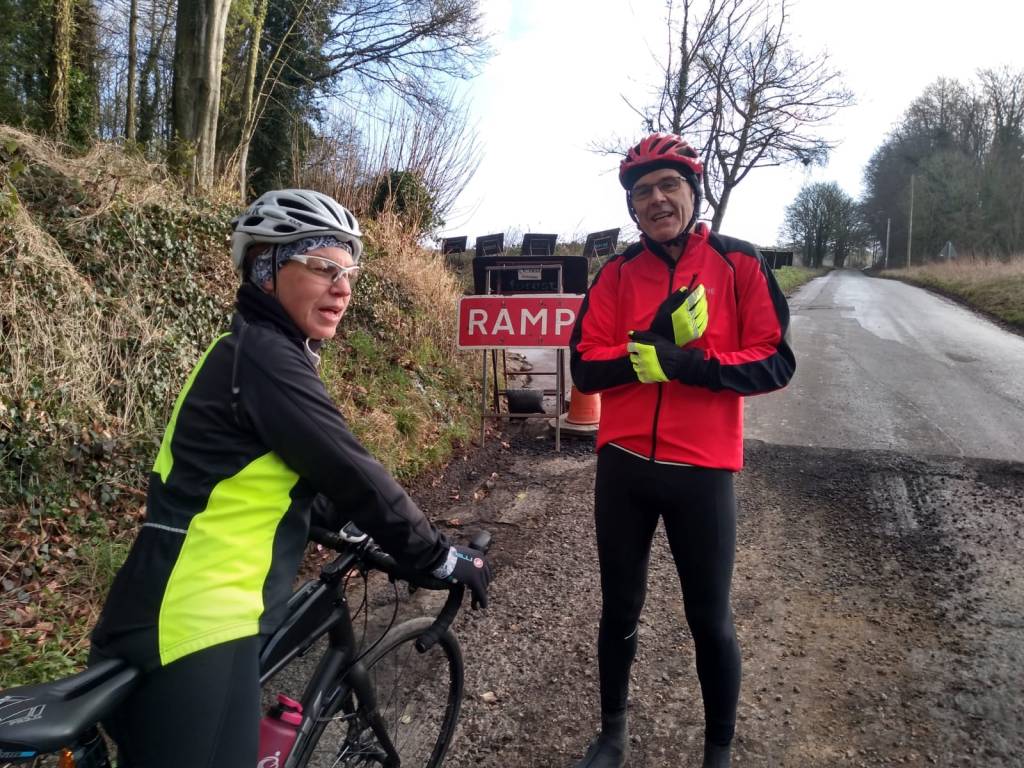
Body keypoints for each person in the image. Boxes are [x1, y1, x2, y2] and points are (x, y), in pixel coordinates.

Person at [88, 189, 490, 768]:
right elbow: (349, 468)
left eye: (349, 273)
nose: (343, 288)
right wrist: (437, 556)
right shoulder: (264, 356)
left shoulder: (249, 351)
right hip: (197, 620)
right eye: (324, 267)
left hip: (173, 605)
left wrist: (350, 525)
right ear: (266, 268)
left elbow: (270, 480)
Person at [568, 134, 796, 768]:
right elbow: (585, 366)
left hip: (702, 471)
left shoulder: (738, 263)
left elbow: (775, 360)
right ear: (632, 207)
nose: (657, 199)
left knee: (709, 620)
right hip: (624, 469)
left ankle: (717, 753)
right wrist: (649, 345)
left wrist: (693, 366)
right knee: (619, 609)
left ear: (694, 192)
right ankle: (612, 736)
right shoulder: (616, 274)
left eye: (669, 185)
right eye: (643, 191)